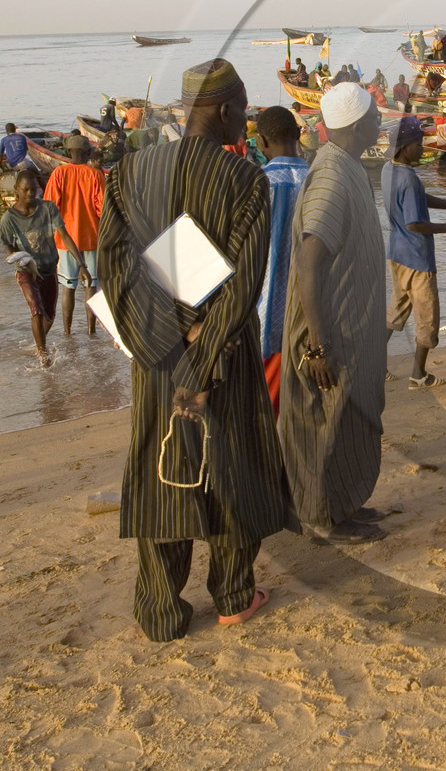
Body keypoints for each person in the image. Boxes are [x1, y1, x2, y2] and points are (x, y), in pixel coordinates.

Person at [98, 59, 289, 640]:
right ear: (228, 110)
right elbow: (244, 281)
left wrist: (167, 333)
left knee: (161, 471)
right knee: (232, 466)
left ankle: (160, 611)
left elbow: (113, 267)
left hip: (156, 359)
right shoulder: (244, 180)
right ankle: (233, 593)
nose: (247, 125)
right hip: (223, 356)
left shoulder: (127, 174)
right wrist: (204, 351)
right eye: (244, 111)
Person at [278, 83, 390, 545]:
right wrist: (318, 344)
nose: (381, 123)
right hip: (329, 333)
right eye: (375, 117)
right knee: (326, 420)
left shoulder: (346, 167)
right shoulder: (331, 176)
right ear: (360, 126)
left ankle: (344, 504)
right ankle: (323, 518)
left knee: (350, 417)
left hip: (351, 327)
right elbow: (309, 258)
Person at [384, 115, 446, 387]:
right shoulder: (409, 178)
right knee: (427, 317)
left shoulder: (389, 169)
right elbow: (414, 223)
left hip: (397, 253)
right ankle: (418, 375)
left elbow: (418, 200)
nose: (423, 148)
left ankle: (374, 364)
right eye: (419, 144)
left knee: (396, 310)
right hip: (418, 258)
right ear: (405, 146)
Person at [253, 106, 309, 417]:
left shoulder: (258, 183)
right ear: (299, 134)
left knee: (267, 417)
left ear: (261, 142)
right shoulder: (317, 179)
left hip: (265, 318)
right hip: (311, 318)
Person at [0, 172, 87, 365]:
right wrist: (18, 259)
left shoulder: (48, 208)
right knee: (36, 311)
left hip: (49, 269)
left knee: (48, 318)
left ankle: (38, 344)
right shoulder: (9, 218)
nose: (31, 193)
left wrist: (81, 264)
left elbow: (65, 236)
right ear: (17, 191)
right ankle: (43, 357)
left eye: (34, 189)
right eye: (26, 190)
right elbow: (7, 245)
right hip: (26, 271)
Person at [41, 134, 104, 337]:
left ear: (68, 153)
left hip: (65, 240)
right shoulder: (95, 175)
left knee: (68, 287)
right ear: (87, 153)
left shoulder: (59, 173)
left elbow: (50, 207)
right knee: (91, 286)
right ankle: (91, 330)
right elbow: (102, 209)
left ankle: (67, 332)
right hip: (91, 238)